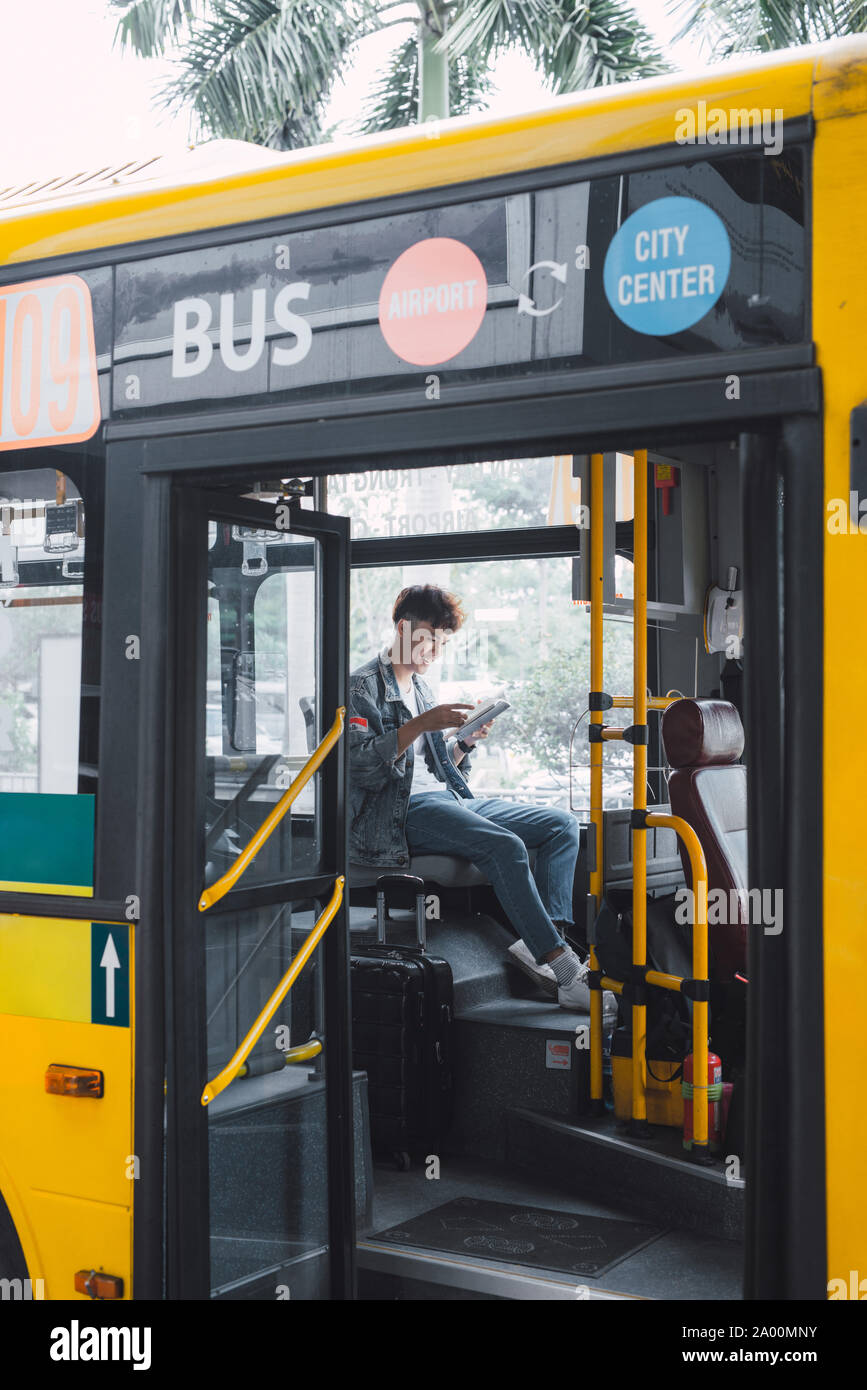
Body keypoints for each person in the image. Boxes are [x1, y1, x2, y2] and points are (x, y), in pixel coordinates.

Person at [348, 583, 616, 1017]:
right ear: (402, 627)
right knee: (505, 846)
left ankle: (548, 950)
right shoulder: (361, 686)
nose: (435, 650)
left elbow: (436, 769)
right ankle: (568, 975)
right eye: (430, 638)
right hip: (393, 814)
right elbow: (360, 767)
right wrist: (421, 724)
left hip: (441, 799)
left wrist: (464, 744)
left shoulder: (420, 688)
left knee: (562, 825)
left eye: (443, 642)